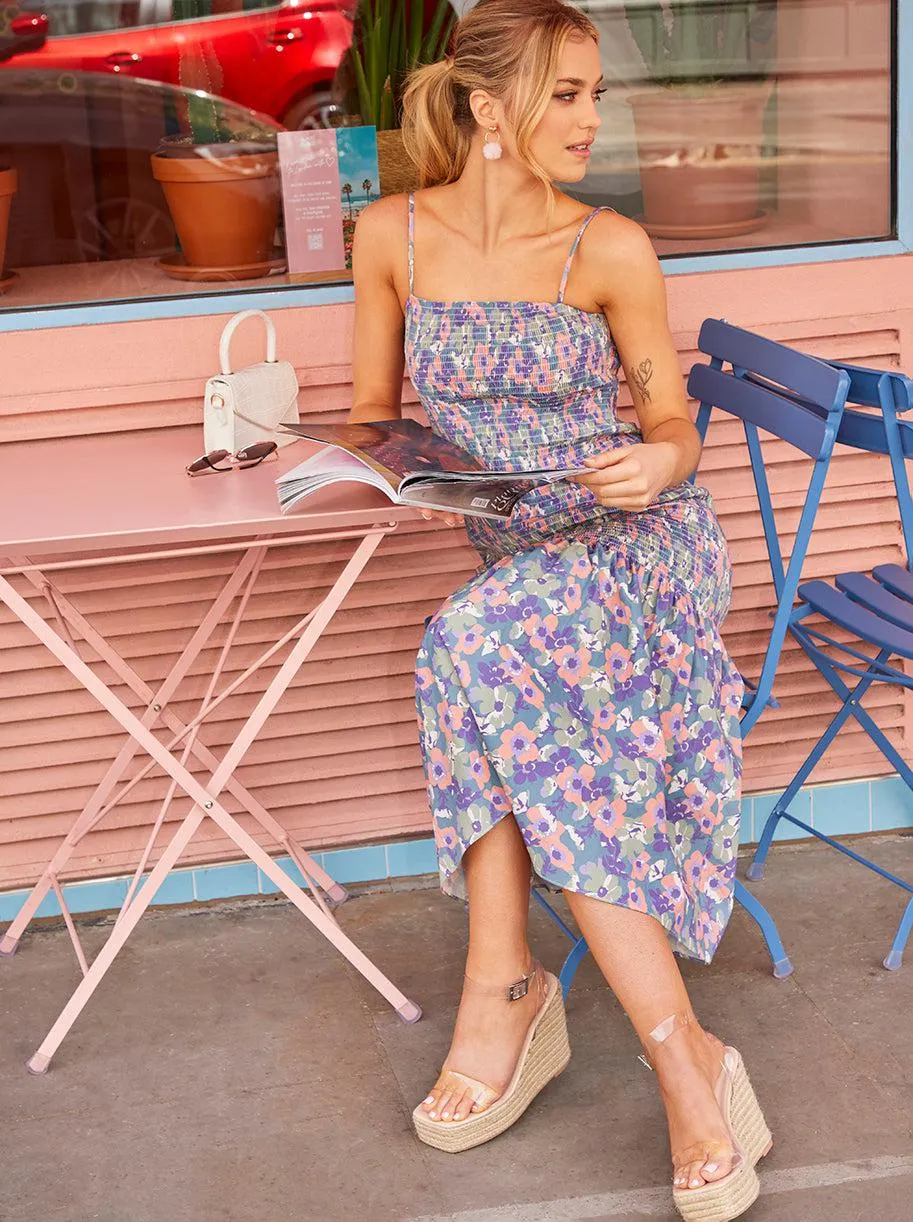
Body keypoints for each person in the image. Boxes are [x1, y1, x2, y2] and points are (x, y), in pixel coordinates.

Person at [347, 2, 770, 1218]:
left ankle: (527, 999)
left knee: (467, 645)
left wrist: (663, 464)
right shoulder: (394, 239)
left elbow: (671, 427)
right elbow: (377, 413)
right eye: (566, 94)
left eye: (597, 93)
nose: (592, 118)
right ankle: (659, 1049)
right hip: (518, 560)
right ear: (487, 107)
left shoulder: (610, 249)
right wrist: (356, 460)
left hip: (640, 549)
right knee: (484, 658)